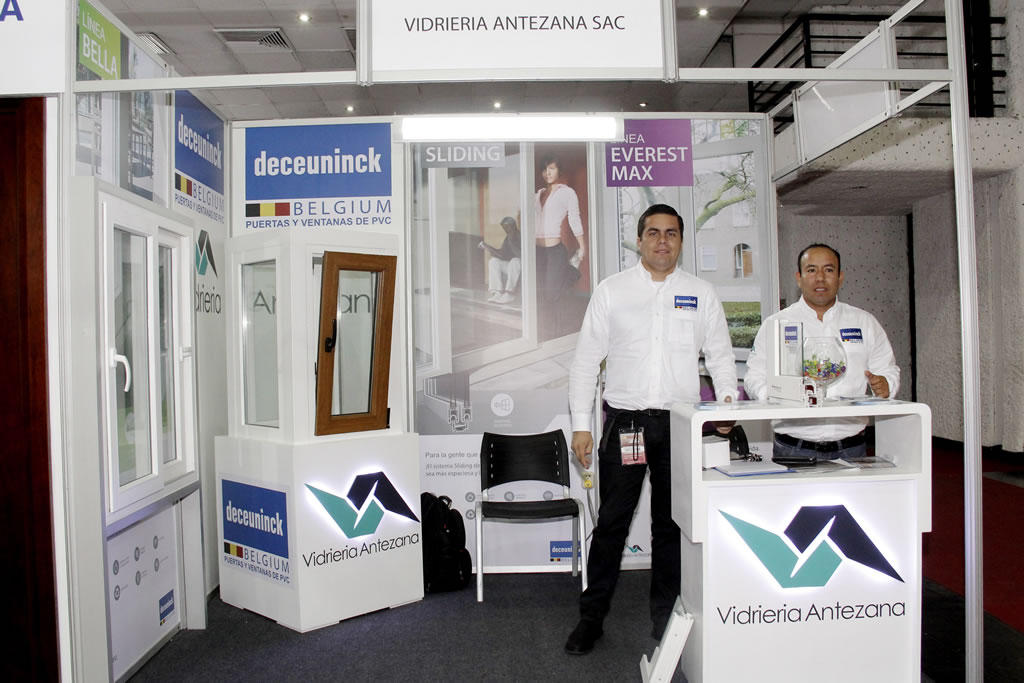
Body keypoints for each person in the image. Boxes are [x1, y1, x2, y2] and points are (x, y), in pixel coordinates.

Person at [564, 204, 738, 655]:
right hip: (627, 425)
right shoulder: (613, 291)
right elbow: (585, 362)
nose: (663, 240)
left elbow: (720, 357)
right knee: (611, 526)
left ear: (681, 241)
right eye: (654, 232)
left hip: (679, 426)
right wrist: (581, 425)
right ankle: (591, 619)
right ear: (639, 240)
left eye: (672, 233)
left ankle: (666, 620)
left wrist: (726, 407)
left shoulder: (701, 293)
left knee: (669, 528)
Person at [744, 244, 900, 461]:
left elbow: (888, 370)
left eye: (828, 270)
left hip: (852, 449)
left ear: (840, 277)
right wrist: (774, 397)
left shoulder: (864, 322)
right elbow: (754, 376)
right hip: (793, 449)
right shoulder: (776, 324)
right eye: (811, 270)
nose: (820, 278)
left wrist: (886, 385)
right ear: (799, 278)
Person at [535, 155, 586, 330]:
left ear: (559, 170)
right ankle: (543, 330)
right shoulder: (538, 194)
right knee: (540, 292)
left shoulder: (566, 192)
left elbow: (574, 219)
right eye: (544, 169)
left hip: (554, 251)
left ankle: (555, 331)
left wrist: (582, 246)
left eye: (552, 168)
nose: (547, 173)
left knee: (552, 293)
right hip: (537, 251)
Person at [479, 216, 522, 304]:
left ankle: (509, 293)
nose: (505, 230)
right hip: (511, 266)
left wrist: (511, 242)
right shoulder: (508, 238)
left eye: (507, 227)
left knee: (514, 260)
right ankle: (498, 292)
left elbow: (520, 255)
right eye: (504, 228)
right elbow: (502, 254)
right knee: (493, 261)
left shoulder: (520, 236)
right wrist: (488, 247)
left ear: (513, 226)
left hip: (521, 266)